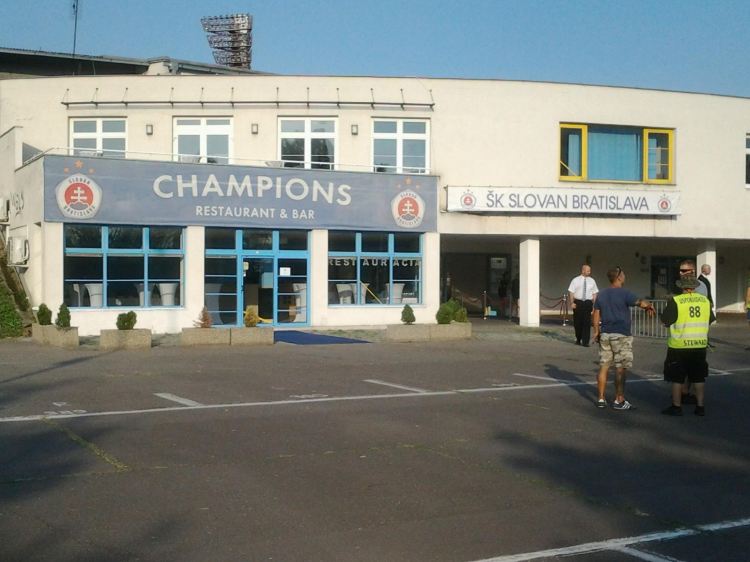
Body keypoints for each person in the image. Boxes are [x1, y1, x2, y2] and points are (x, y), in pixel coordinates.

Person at [592, 266, 655, 410]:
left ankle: (601, 398)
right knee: (620, 368)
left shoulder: (602, 294)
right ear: (619, 277)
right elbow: (640, 302)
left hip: (605, 334)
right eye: (623, 274)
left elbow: (596, 314)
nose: (625, 276)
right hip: (621, 334)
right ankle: (619, 400)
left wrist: (596, 331)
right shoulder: (625, 293)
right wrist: (649, 306)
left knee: (604, 366)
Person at [661, 275, 711, 416]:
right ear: (695, 287)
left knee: (677, 377)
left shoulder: (677, 301)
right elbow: (710, 319)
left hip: (679, 345)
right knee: (698, 377)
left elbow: (665, 320)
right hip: (699, 344)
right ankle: (700, 407)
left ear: (681, 286)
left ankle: (676, 406)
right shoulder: (705, 301)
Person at [568, 264, 599, 346]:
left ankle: (585, 342)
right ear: (583, 270)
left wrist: (594, 304)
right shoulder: (575, 280)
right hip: (578, 302)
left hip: (588, 303)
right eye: (587, 270)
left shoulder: (592, 281)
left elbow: (595, 293)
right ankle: (578, 338)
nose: (589, 272)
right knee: (577, 322)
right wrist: (572, 302)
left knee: (587, 322)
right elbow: (571, 292)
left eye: (590, 270)